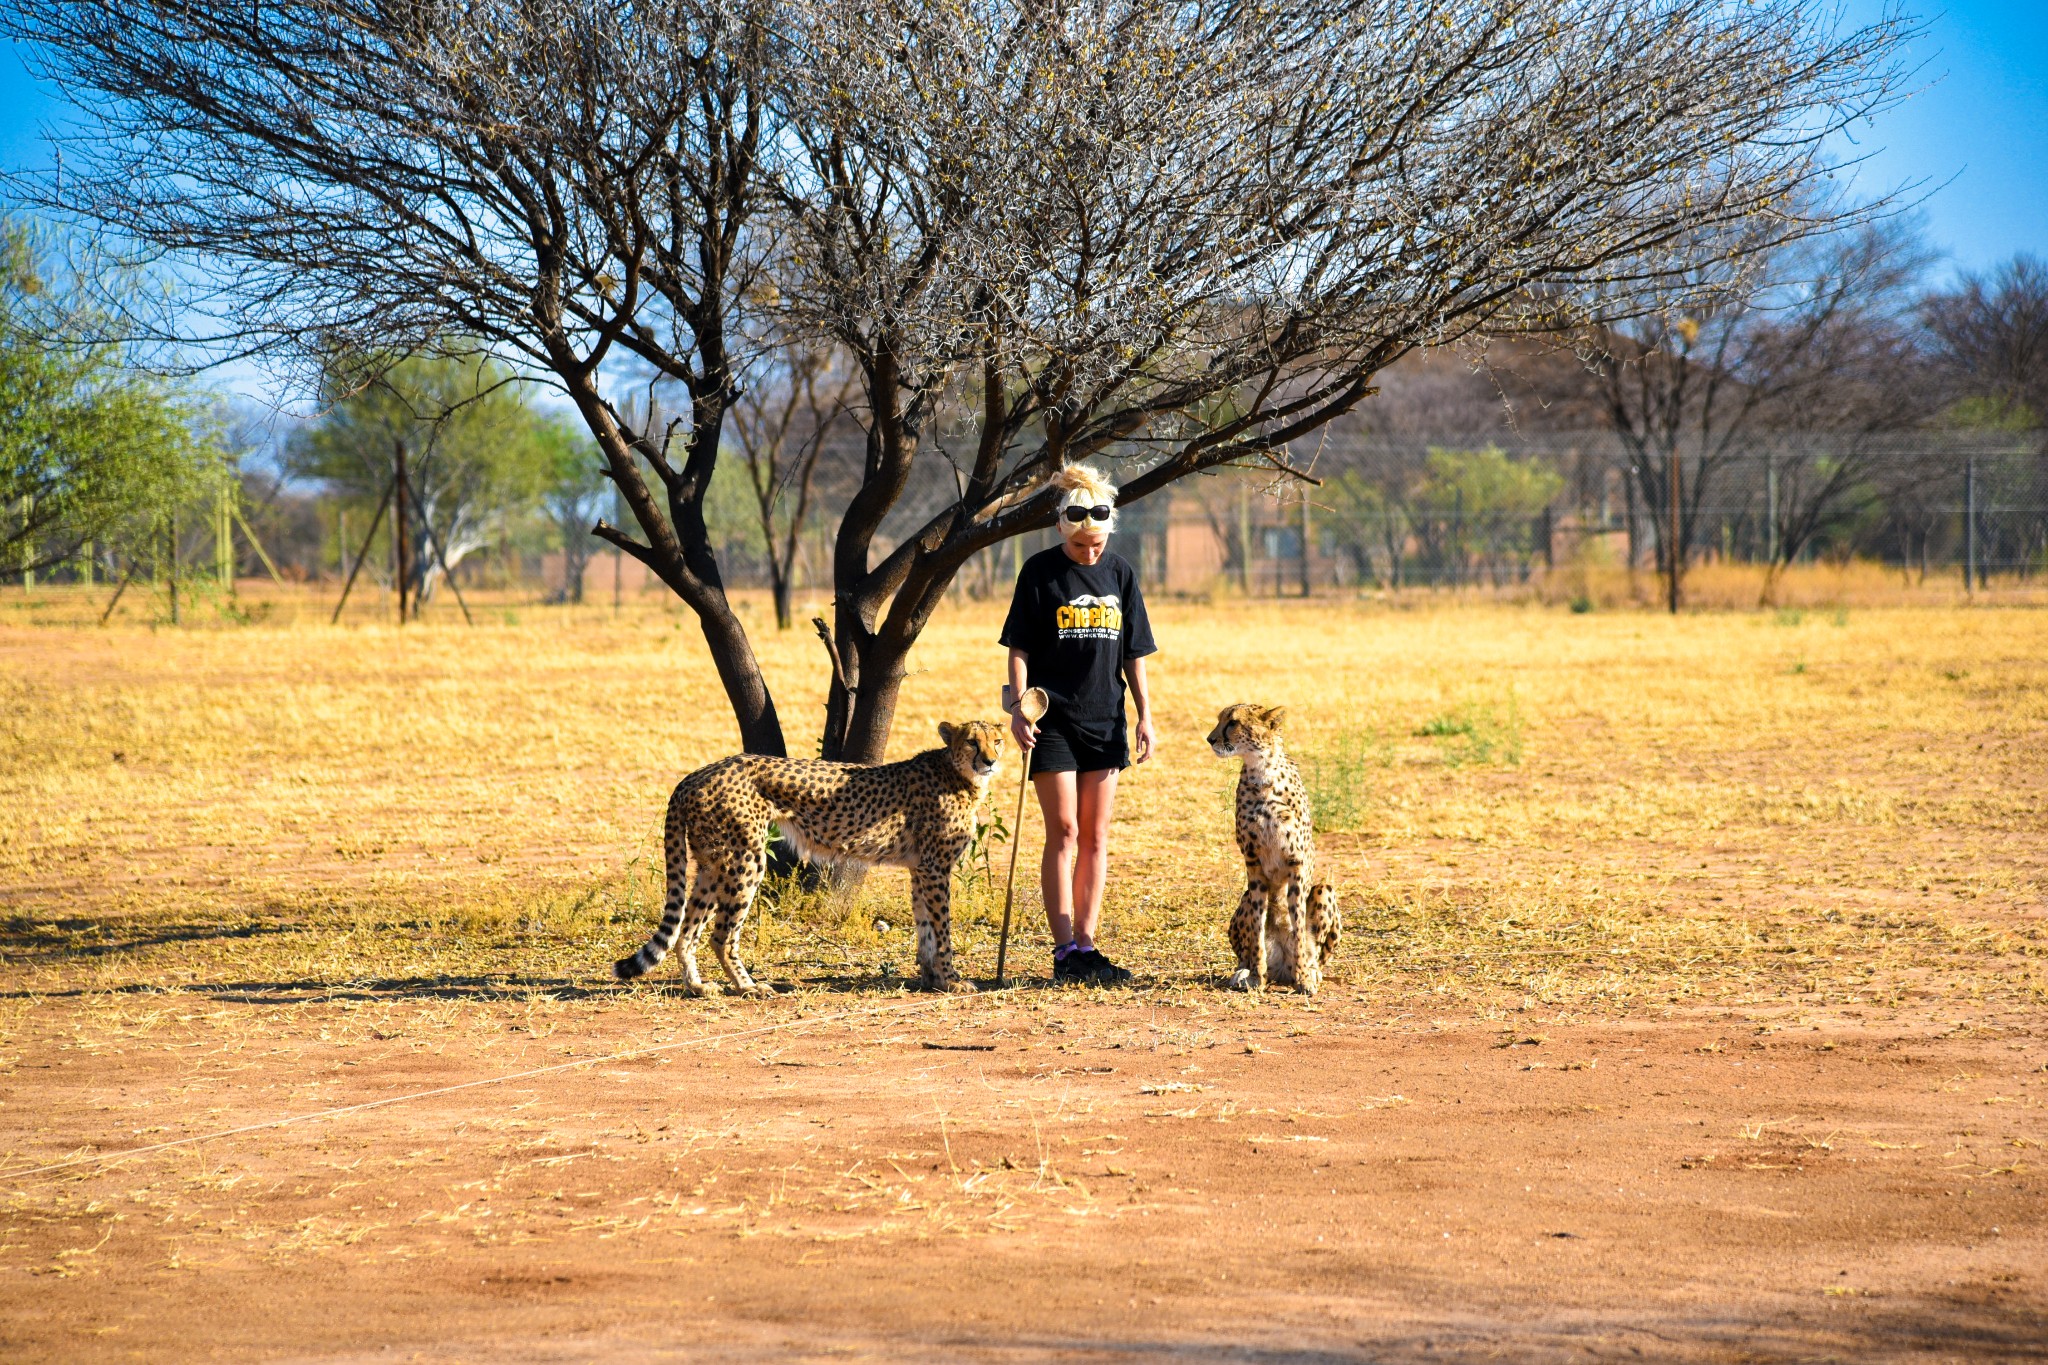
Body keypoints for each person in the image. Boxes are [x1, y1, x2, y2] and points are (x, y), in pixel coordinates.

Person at [999, 463, 1157, 985]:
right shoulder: (1040, 573)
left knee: (1096, 836)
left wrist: (1144, 716)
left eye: (1098, 543)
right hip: (1054, 722)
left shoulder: (1120, 573)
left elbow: (1134, 653)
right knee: (1063, 832)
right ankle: (1064, 949)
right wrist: (1019, 707)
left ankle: (1088, 946)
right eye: (1082, 544)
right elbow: (1019, 645)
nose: (1091, 552)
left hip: (1106, 720)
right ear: (1065, 531)